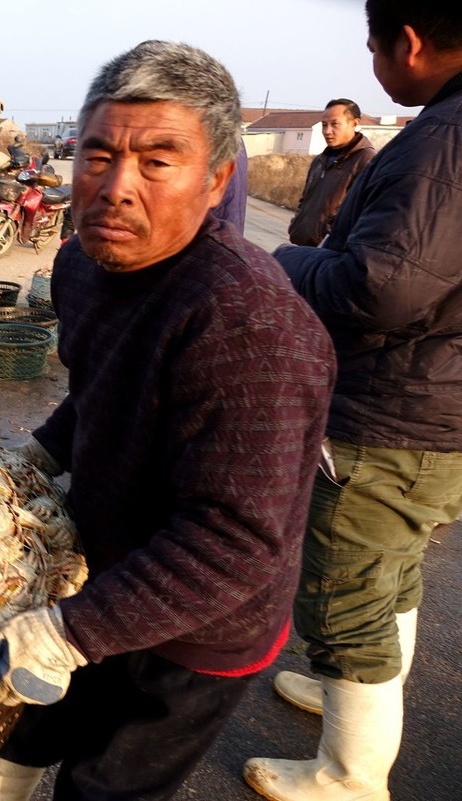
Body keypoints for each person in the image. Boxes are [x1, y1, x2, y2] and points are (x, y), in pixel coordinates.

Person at [0, 40, 336, 801]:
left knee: (106, 784)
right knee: (17, 733)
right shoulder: (83, 268)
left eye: (158, 160)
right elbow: (106, 390)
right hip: (103, 565)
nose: (117, 186)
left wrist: (67, 632)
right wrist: (40, 453)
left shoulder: (249, 325)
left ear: (216, 179)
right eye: (98, 155)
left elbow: (233, 542)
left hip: (200, 630)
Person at [244, 4, 462, 799]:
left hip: (396, 414)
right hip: (437, 413)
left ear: (408, 42)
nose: (374, 59)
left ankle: (349, 774)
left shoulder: (442, 138)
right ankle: (353, 688)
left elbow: (383, 286)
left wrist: (293, 263)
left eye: (373, 45)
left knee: (350, 592)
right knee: (391, 577)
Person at [286, 99, 377, 246]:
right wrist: (297, 223)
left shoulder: (366, 160)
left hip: (331, 251)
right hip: (303, 244)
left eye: (335, 124)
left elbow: (365, 212)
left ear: (354, 124)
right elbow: (305, 199)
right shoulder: (320, 160)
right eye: (324, 125)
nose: (327, 131)